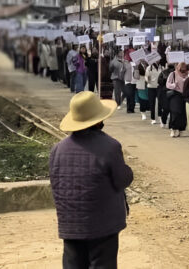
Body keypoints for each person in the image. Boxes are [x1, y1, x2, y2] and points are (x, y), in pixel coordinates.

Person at [50, 91, 133, 268]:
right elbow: (122, 180)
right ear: (98, 120)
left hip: (70, 224)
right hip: (103, 224)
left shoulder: (57, 149)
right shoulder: (110, 146)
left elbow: (56, 184)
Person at [166, 62, 188, 137]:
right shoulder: (173, 74)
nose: (183, 70)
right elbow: (168, 84)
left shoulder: (188, 74)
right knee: (175, 111)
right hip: (176, 94)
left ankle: (180, 129)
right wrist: (173, 85)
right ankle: (173, 128)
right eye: (181, 68)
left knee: (183, 113)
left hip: (185, 95)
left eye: (184, 68)